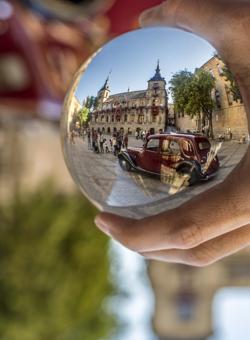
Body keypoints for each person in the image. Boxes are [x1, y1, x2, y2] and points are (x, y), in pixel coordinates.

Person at [95, 0, 250, 267]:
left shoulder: (161, 95)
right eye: (154, 86)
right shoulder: (138, 96)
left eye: (157, 87)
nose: (156, 89)